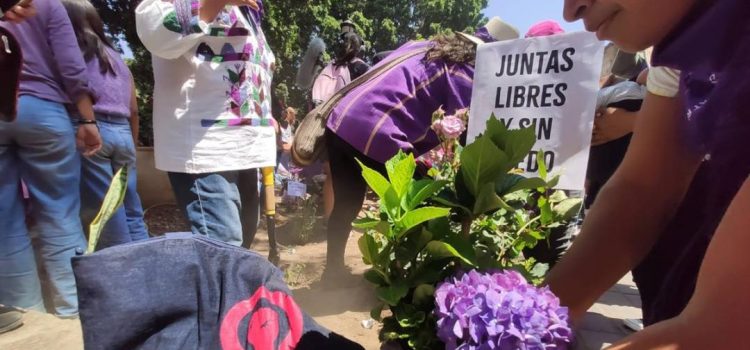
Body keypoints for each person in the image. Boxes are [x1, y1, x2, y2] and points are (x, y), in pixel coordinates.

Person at [548, 0, 750, 347]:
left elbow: (717, 330)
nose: (572, 10)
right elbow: (641, 190)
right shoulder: (682, 50)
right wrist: (532, 317)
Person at [320, 17, 520, 281]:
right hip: (378, 128)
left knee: (346, 205)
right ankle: (411, 279)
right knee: (426, 201)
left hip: (342, 118)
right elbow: (465, 132)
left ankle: (331, 274)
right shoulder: (466, 71)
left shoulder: (424, 46)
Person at [136, 0, 275, 247]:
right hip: (205, 150)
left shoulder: (248, 14)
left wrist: (264, 115)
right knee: (224, 248)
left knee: (242, 245)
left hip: (246, 149)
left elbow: (248, 72)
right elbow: (156, 32)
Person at [0, 0, 101, 317]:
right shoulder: (47, 4)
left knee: (4, 219)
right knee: (60, 213)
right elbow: (71, 65)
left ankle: (26, 314)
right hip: (44, 110)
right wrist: (87, 120)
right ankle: (74, 313)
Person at [61, 0, 149, 249]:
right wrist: (130, 145)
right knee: (131, 208)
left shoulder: (71, 52)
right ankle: (146, 262)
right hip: (123, 134)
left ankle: (121, 273)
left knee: (106, 213)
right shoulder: (116, 58)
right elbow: (133, 109)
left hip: (91, 133)